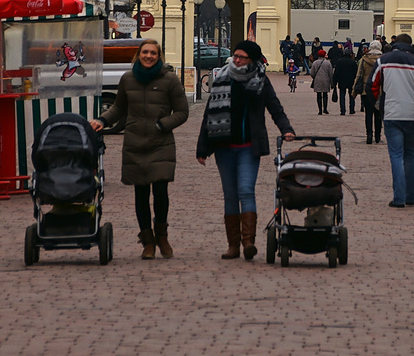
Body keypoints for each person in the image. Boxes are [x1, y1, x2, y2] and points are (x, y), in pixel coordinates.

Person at [196, 40, 295, 260]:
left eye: (242, 57)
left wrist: (286, 129)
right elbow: (209, 114)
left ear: (252, 60)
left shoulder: (260, 80)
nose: (237, 60)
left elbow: (275, 107)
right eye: (236, 56)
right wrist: (202, 148)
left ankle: (248, 242)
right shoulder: (222, 77)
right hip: (224, 146)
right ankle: (233, 246)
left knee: (246, 190)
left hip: (249, 146)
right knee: (230, 195)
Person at [91, 39, 188, 259]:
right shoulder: (128, 79)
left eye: (153, 53)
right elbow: (119, 107)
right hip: (135, 143)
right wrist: (102, 121)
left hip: (160, 142)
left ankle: (162, 236)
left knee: (161, 192)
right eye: (145, 52)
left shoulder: (170, 79)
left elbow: (182, 112)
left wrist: (163, 124)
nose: (149, 56)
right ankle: (147, 241)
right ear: (138, 54)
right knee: (141, 193)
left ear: (159, 55)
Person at [367, 33, 414, 207]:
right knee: (411, 155)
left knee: (396, 155)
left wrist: (378, 103)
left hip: (391, 112)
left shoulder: (383, 61)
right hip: (411, 112)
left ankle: (399, 198)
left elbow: (371, 85)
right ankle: (411, 196)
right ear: (410, 44)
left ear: (395, 43)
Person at [355, 39, 383, 143]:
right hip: (380, 90)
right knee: (378, 114)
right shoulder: (383, 60)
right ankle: (378, 135)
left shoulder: (364, 59)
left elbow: (359, 75)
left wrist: (354, 91)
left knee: (368, 114)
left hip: (366, 90)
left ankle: (369, 135)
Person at [332, 48, 358, 116]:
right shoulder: (353, 62)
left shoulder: (339, 61)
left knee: (342, 96)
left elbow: (336, 72)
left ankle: (342, 110)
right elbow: (356, 72)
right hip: (351, 81)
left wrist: (334, 81)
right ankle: (352, 109)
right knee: (351, 95)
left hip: (342, 81)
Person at [310, 49, 334, 115]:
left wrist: (315, 77)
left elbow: (312, 73)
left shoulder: (315, 63)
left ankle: (320, 110)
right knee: (325, 95)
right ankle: (325, 109)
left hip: (317, 80)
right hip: (326, 81)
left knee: (319, 95)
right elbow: (331, 74)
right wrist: (332, 83)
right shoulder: (328, 63)